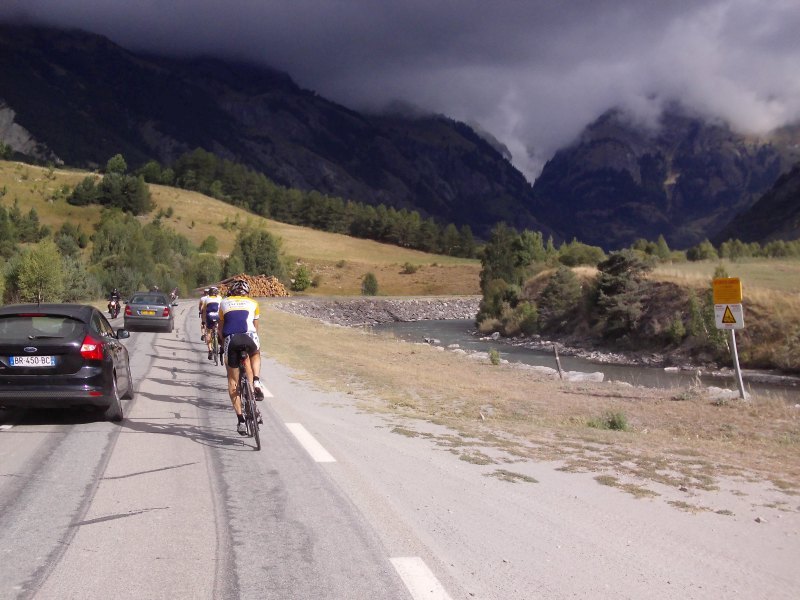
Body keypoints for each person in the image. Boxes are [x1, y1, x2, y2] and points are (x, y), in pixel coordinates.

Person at [217, 279, 265, 436]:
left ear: (232, 292)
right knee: (255, 354)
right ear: (247, 293)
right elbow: (255, 326)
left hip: (232, 339)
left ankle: (241, 421)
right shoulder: (253, 303)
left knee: (232, 380)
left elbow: (221, 328)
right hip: (249, 337)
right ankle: (256, 381)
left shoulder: (224, 303)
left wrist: (223, 343)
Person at [202, 286, 223, 360]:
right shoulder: (220, 298)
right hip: (217, 316)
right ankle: (221, 345)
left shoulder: (207, 299)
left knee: (208, 332)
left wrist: (203, 321)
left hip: (209, 316)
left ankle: (210, 350)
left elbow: (204, 311)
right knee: (220, 329)